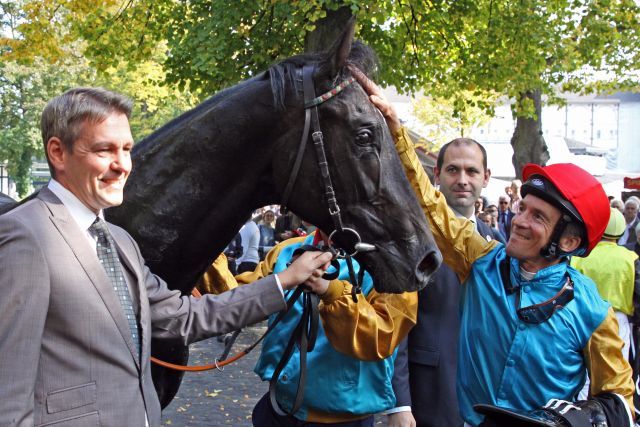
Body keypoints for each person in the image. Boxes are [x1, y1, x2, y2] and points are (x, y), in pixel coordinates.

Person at [0, 87, 333, 427]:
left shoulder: (119, 241)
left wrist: (285, 280)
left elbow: (183, 318)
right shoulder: (25, 236)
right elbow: (8, 395)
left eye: (127, 149)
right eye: (105, 150)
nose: (122, 165)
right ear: (58, 152)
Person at [351, 67, 635, 426]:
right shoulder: (480, 259)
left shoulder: (593, 313)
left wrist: (579, 419)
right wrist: (395, 128)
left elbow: (619, 402)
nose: (518, 221)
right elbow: (429, 205)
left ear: (568, 241)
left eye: (538, 217)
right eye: (523, 209)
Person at [201, 228, 418, 426]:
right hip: (277, 411)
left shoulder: (392, 262)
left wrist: (330, 291)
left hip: (343, 420)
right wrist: (204, 250)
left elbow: (381, 338)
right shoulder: (287, 250)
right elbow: (236, 301)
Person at [387, 135, 501, 427]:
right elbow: (396, 325)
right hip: (429, 394)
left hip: (487, 403)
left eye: (472, 171)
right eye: (453, 170)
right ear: (436, 175)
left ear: (486, 178)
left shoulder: (499, 243)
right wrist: (399, 403)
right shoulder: (411, 239)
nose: (463, 179)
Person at [571, 208, 640, 361]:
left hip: (583, 317)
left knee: (583, 374)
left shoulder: (580, 255)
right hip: (617, 320)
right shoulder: (631, 258)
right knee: (616, 373)